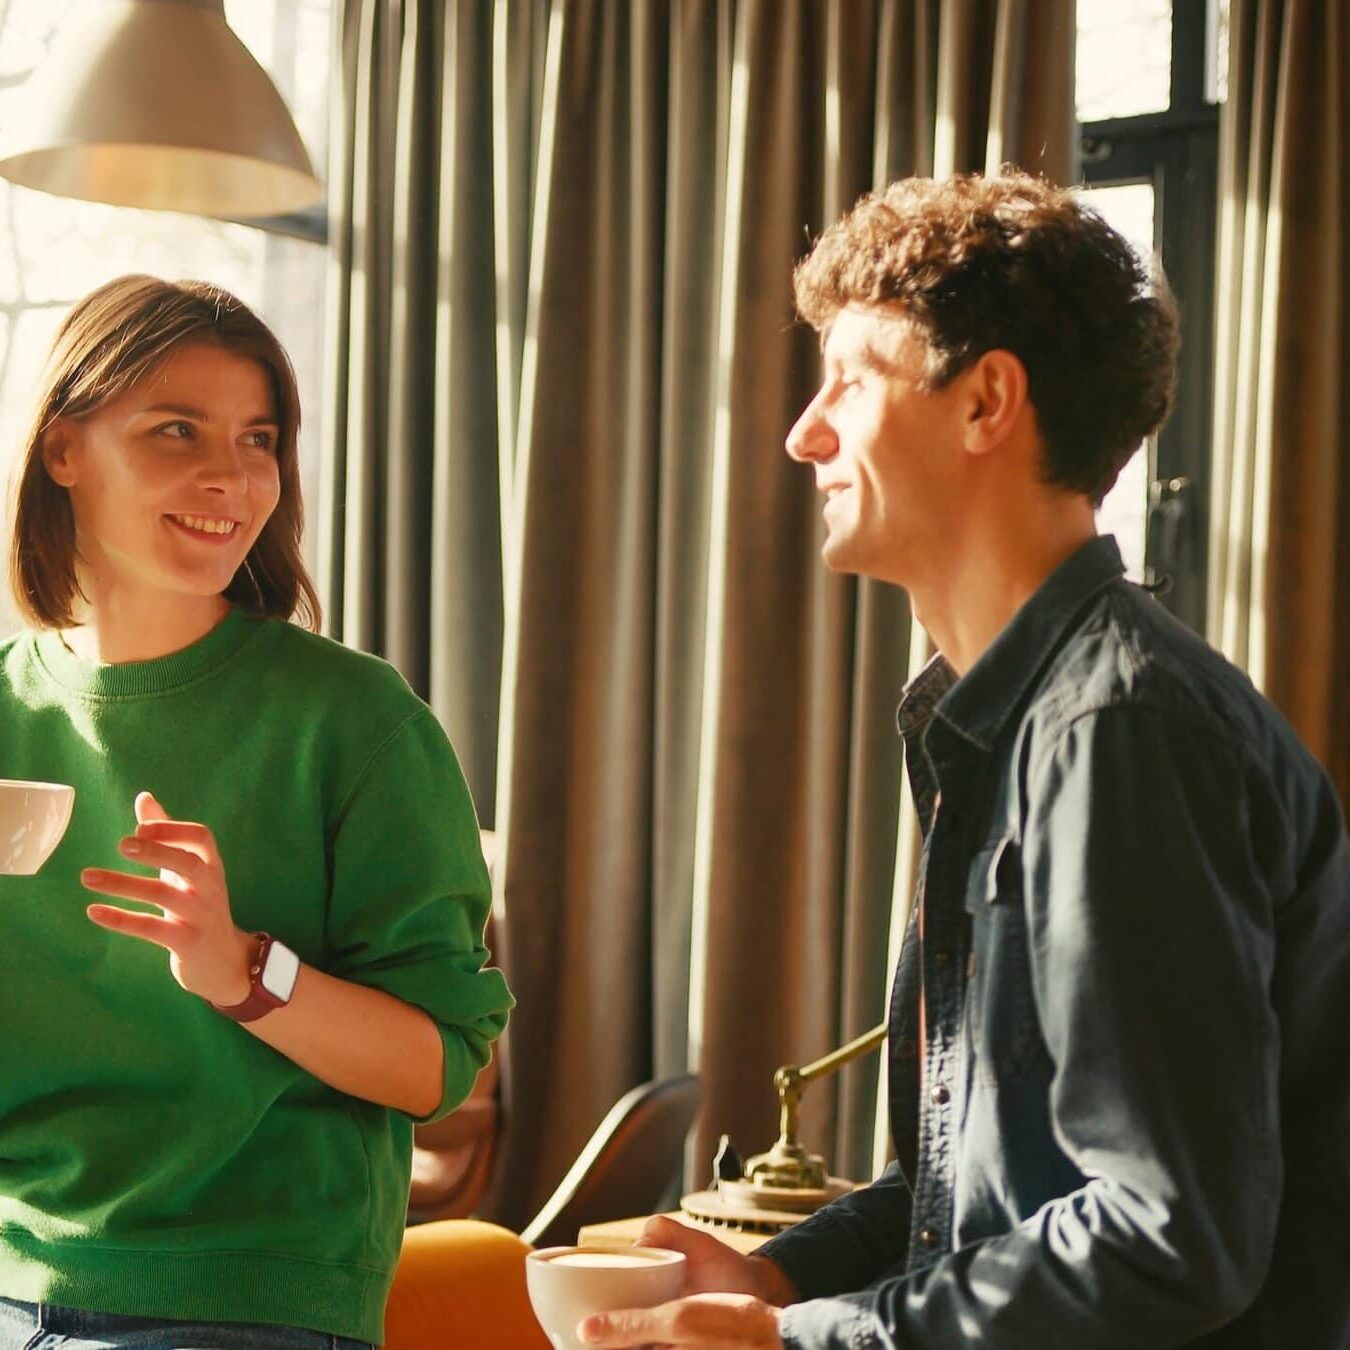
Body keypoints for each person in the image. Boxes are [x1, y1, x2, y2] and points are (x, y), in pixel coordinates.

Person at [579, 171, 1350, 1348]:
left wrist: (799, 1342)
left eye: (851, 377)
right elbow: (982, 1195)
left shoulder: (1117, 732)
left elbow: (1168, 1232)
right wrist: (780, 1278)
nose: (806, 431)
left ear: (987, 400)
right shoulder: (1017, 721)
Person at [0, 276, 514, 1349]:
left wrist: (241, 969)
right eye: (177, 430)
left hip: (238, 1304)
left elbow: (437, 1066)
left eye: (259, 437)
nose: (230, 476)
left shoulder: (355, 722)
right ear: (61, 450)